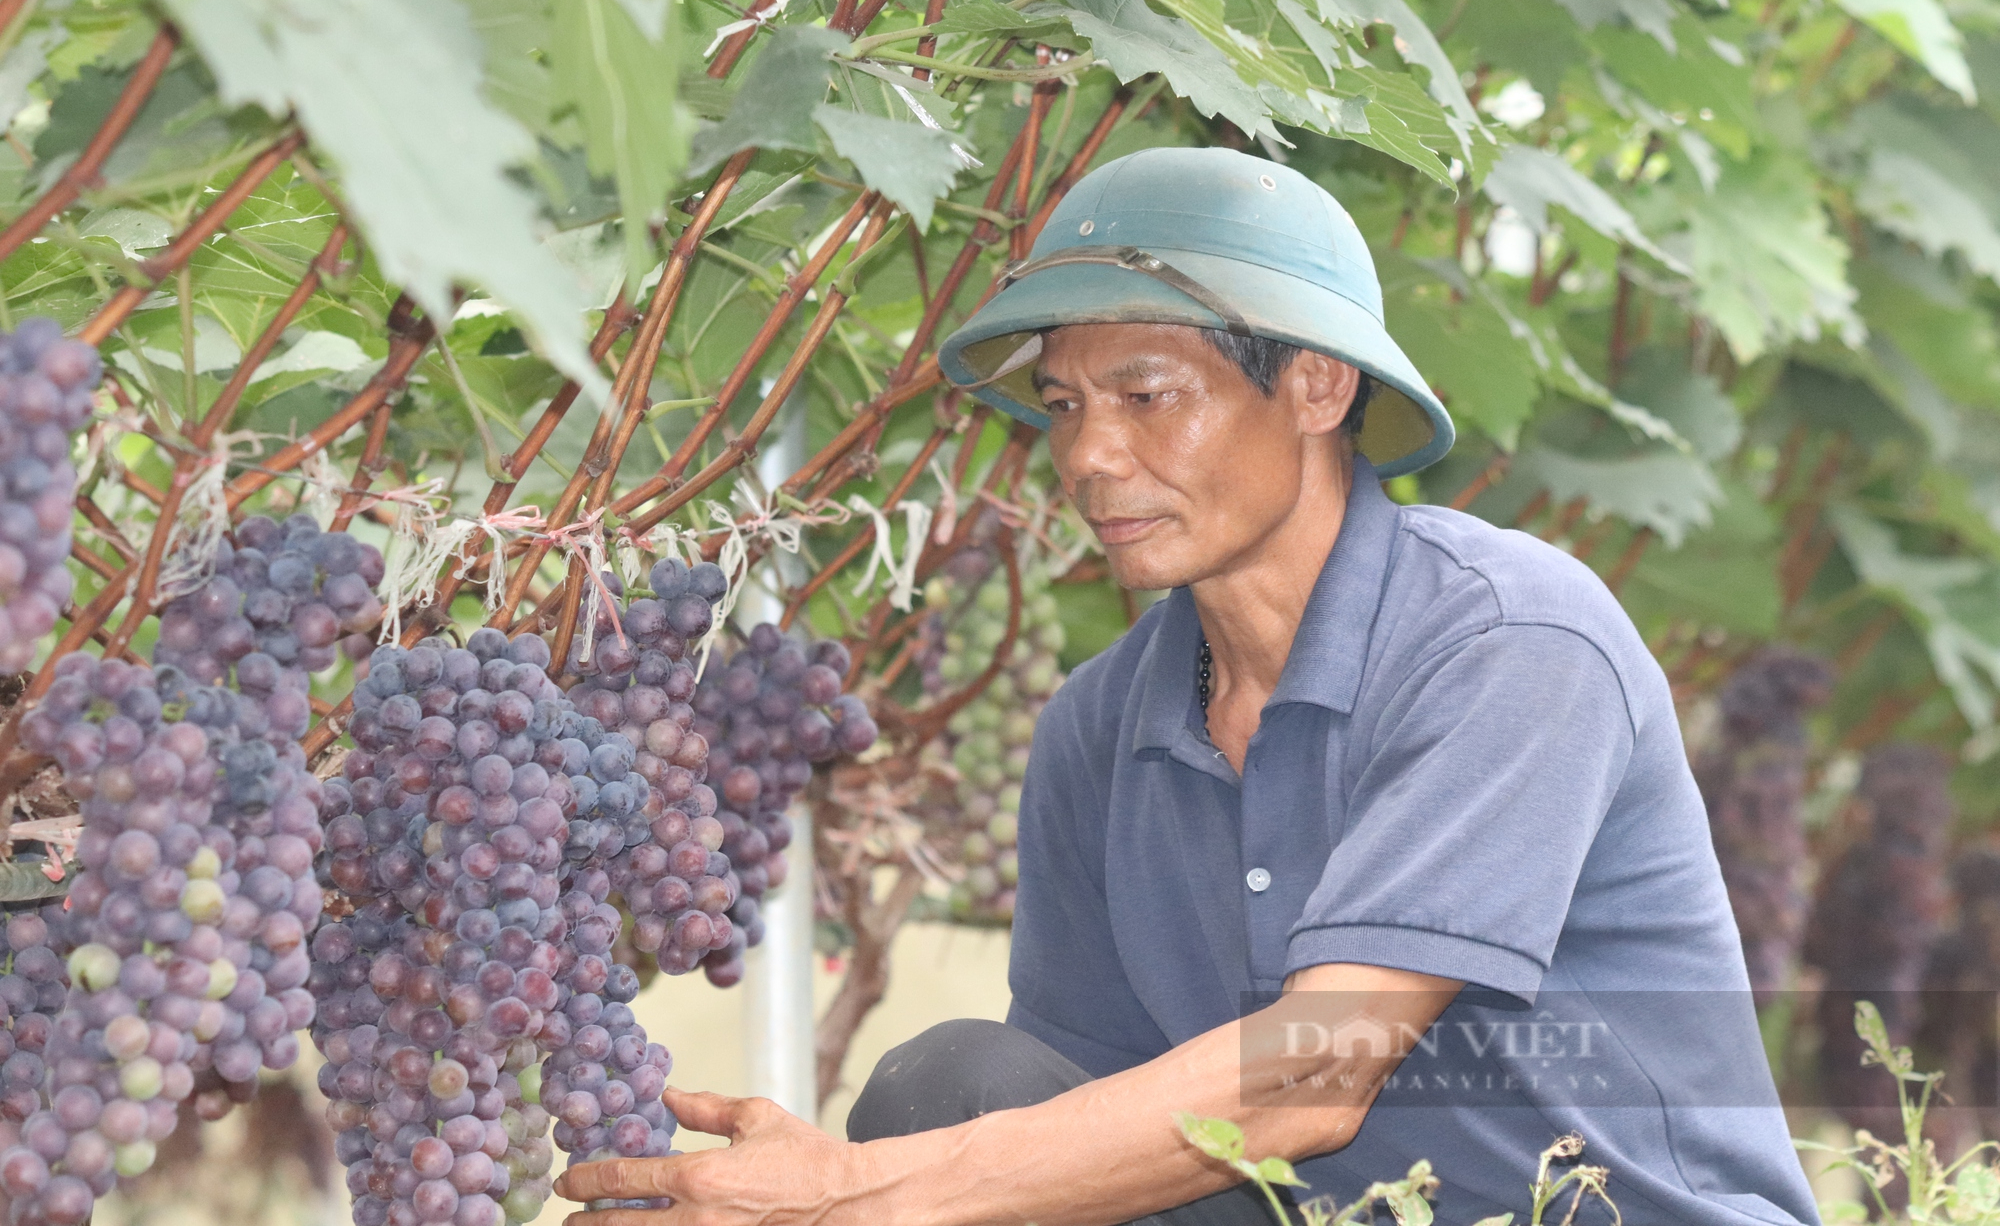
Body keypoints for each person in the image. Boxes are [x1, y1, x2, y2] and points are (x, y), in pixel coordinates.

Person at [555, 148, 1820, 1225]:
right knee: (953, 1080)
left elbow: (1313, 1078)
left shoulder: (1509, 640)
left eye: (1147, 395)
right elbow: (1069, 1118)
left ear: (1316, 386)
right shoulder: (1099, 726)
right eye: (1062, 404)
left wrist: (852, 1194)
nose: (1091, 455)